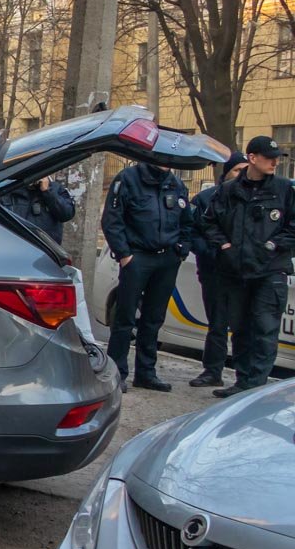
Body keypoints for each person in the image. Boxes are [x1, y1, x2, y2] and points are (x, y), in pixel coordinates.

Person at [198, 136, 295, 398]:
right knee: (239, 329)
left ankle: (255, 387)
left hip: (270, 270)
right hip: (235, 271)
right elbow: (208, 222)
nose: (275, 162)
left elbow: (292, 228)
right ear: (252, 158)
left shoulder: (284, 189)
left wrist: (273, 245)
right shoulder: (229, 190)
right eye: (269, 157)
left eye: (277, 158)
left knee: (265, 328)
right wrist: (225, 246)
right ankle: (242, 383)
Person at [101, 161, 192, 392]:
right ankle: (117, 373)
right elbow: (112, 220)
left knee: (153, 319)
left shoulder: (176, 183)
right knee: (124, 319)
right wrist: (124, 255)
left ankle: (146, 373)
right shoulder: (129, 179)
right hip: (137, 257)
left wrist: (181, 250)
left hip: (167, 259)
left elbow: (187, 222)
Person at [187, 152, 249, 388]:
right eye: (236, 170)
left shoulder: (255, 197)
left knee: (245, 326)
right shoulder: (206, 198)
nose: (241, 175)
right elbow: (193, 232)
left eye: (245, 169)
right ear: (226, 174)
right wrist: (215, 254)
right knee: (217, 324)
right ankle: (213, 371)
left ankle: (246, 378)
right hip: (215, 271)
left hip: (245, 273)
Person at [0, 175, 76, 244]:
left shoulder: (56, 189)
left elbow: (66, 214)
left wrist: (47, 191)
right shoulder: (10, 189)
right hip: (16, 243)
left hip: (44, 248)